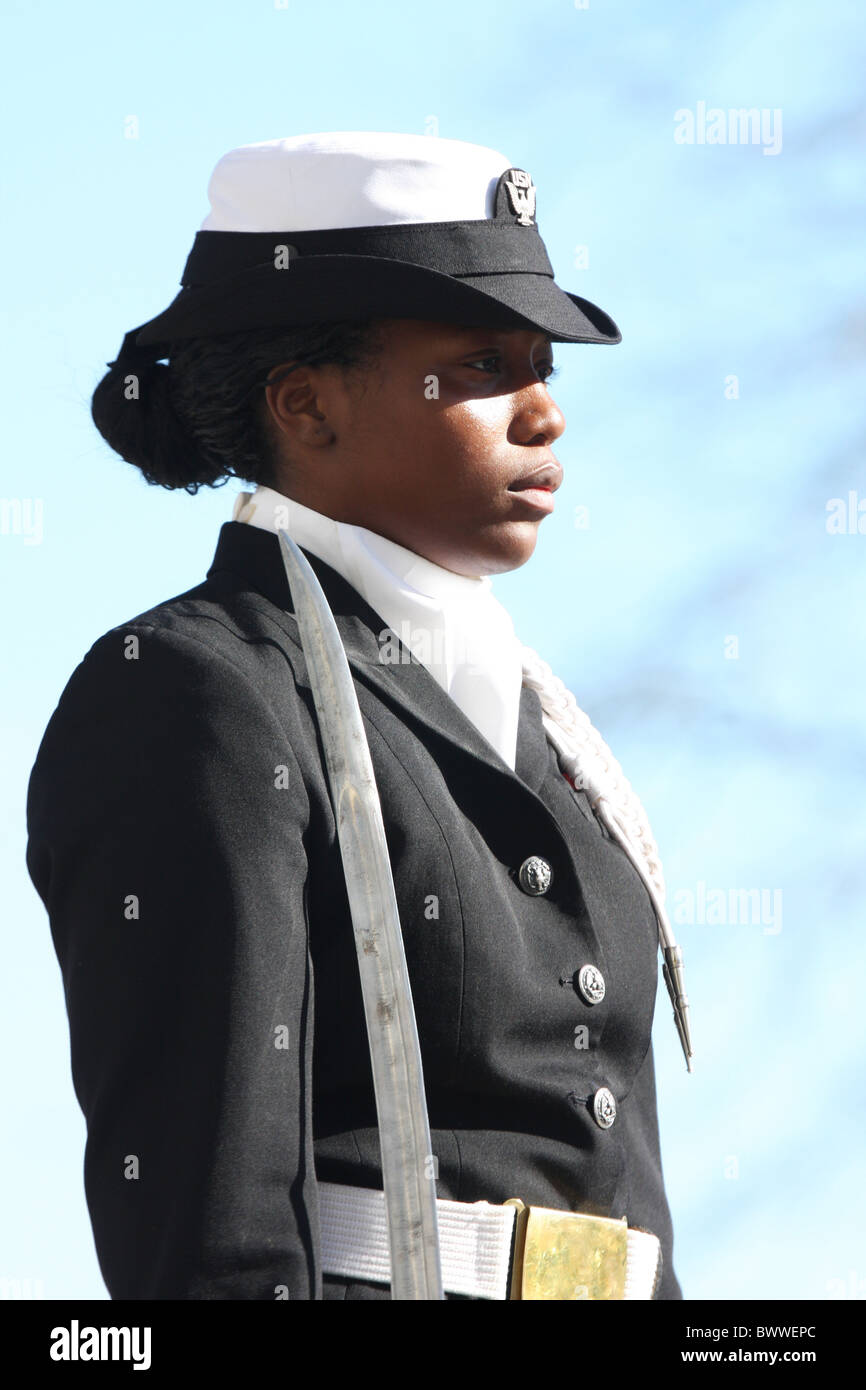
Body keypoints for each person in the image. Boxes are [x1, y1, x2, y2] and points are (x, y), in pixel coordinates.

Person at [25, 131, 688, 1300]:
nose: (544, 414)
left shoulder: (557, 733)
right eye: (486, 364)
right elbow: (209, 1237)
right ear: (307, 405)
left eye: (546, 366)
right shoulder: (197, 693)